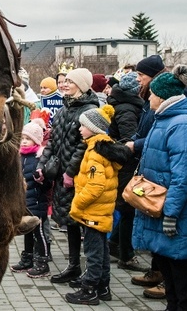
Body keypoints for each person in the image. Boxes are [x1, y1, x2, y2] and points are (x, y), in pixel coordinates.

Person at [131, 65, 187, 311]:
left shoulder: (182, 124)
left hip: (176, 209)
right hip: (160, 205)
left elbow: (183, 176)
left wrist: (172, 213)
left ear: (162, 96)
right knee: (167, 261)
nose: (148, 97)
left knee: (180, 263)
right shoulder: (165, 118)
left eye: (151, 93)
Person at [36, 67, 100, 284]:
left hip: (79, 176)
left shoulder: (89, 110)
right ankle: (73, 265)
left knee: (83, 223)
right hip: (61, 175)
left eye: (69, 82)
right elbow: (53, 141)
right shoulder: (64, 109)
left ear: (81, 86)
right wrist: (42, 165)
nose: (64, 85)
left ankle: (91, 272)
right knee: (69, 221)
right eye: (63, 82)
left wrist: (71, 172)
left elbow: (83, 146)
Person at [66, 104, 129, 305]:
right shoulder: (103, 147)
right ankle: (103, 287)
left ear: (94, 128)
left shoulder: (95, 153)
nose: (79, 129)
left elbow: (95, 186)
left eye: (83, 125)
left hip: (93, 211)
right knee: (101, 250)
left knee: (93, 252)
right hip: (102, 211)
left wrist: (77, 205)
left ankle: (90, 290)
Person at [125, 54, 168, 298]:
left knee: (162, 227)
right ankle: (156, 270)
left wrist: (135, 144)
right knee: (151, 221)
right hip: (147, 164)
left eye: (141, 75)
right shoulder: (148, 98)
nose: (139, 79)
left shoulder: (163, 104)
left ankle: (166, 278)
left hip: (157, 171)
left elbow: (155, 135)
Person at [106, 72, 148, 272]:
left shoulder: (122, 104)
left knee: (125, 208)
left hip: (124, 162)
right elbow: (128, 139)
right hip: (127, 163)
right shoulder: (127, 108)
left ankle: (114, 244)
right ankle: (126, 255)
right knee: (127, 208)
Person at [11, 121, 52, 277]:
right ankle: (27, 258)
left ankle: (42, 262)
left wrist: (41, 179)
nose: (24, 141)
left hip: (36, 201)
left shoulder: (39, 158)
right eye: (22, 138)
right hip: (24, 202)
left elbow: (48, 182)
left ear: (36, 140)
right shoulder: (20, 156)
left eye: (28, 139)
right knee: (27, 230)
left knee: (38, 232)